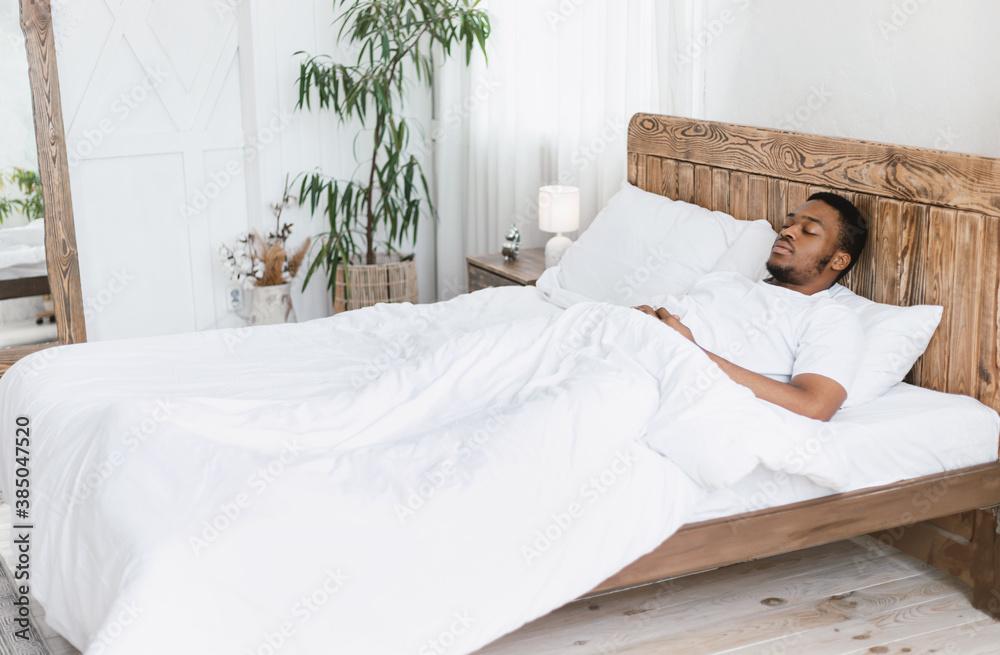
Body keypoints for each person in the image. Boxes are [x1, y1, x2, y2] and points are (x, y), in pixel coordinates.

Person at [633, 192, 867, 422]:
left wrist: (687, 349)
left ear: (839, 260)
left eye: (808, 231)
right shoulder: (724, 281)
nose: (787, 232)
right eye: (787, 224)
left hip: (655, 383)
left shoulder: (829, 317)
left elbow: (815, 406)